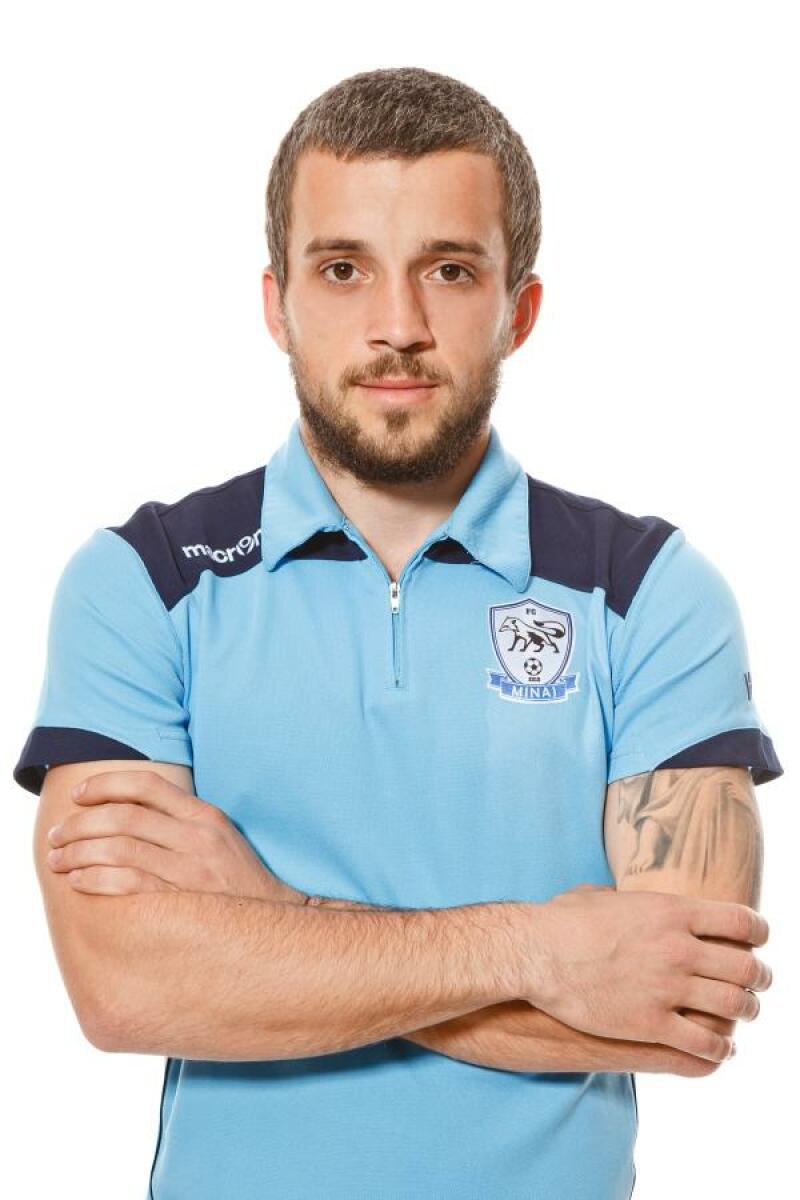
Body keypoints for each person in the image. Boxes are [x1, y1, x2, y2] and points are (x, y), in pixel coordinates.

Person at [15, 66, 782, 1200]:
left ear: (518, 308)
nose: (398, 327)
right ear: (276, 303)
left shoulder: (647, 592)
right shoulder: (143, 584)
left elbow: (681, 1009)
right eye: (343, 269)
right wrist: (539, 952)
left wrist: (269, 917)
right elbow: (128, 989)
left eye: (450, 270)